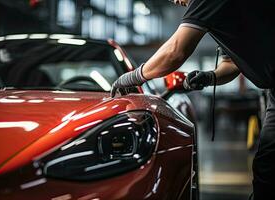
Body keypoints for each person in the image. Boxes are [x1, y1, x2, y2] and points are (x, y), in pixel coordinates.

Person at [110, 0, 275, 199]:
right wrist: (210, 77)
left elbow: (175, 51)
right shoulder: (217, 13)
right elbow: (231, 63)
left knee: (268, 171)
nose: (175, 1)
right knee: (267, 169)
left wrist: (133, 77)